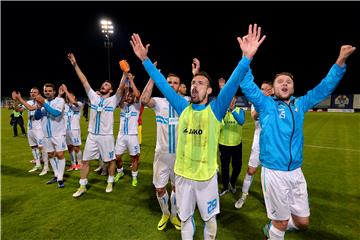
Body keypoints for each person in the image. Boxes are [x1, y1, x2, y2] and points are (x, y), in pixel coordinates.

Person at [130, 23, 265, 239]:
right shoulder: (182, 107)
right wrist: (145, 60)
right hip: (183, 176)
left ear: (209, 90)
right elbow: (161, 83)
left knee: (209, 220)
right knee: (185, 219)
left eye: (200, 83)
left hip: (206, 177)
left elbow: (232, 82)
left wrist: (246, 58)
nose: (195, 85)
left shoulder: (215, 110)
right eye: (193, 82)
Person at [238, 45, 355, 240]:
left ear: (293, 87)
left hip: (296, 172)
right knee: (281, 223)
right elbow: (246, 82)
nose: (284, 84)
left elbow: (324, 87)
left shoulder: (300, 104)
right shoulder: (266, 105)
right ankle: (275, 229)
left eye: (288, 82)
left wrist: (340, 60)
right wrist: (246, 57)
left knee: (302, 223)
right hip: (274, 172)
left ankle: (275, 227)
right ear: (273, 88)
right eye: (280, 81)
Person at [67, 52, 125, 197]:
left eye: (107, 85)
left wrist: (125, 74)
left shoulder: (113, 99)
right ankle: (82, 186)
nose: (103, 86)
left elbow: (121, 88)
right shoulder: (93, 96)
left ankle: (110, 181)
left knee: (110, 160)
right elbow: (84, 81)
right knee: (85, 161)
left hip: (106, 136)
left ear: (110, 90)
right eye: (103, 84)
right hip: (92, 135)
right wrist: (75, 65)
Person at [140, 69, 185, 231]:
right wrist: (152, 78)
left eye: (175, 83)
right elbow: (143, 100)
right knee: (160, 188)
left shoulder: (184, 102)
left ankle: (173, 215)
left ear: (180, 86)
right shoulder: (159, 103)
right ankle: (165, 213)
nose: (172, 85)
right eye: (169, 82)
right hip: (162, 155)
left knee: (176, 188)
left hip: (180, 156)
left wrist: (195, 75)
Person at [235, 81, 273, 208]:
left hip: (273, 144)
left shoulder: (276, 103)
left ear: (272, 90)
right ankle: (244, 195)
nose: (263, 91)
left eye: (267, 89)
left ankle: (270, 199)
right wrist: (261, 101)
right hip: (258, 143)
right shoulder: (256, 103)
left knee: (271, 173)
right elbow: (254, 116)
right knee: (251, 170)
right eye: (262, 89)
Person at [34, 83, 67, 188]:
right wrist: (38, 108)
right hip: (46, 134)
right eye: (45, 91)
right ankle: (56, 175)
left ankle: (61, 178)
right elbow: (37, 117)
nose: (47, 92)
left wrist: (43, 103)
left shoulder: (60, 101)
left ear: (54, 92)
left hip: (58, 133)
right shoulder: (43, 102)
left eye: (49, 91)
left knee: (60, 154)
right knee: (51, 155)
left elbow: (56, 113)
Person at [12, 88, 49, 175]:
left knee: (41, 147)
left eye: (34, 92)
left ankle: (46, 167)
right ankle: (38, 165)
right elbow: (18, 110)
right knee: (33, 147)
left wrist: (20, 98)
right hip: (30, 128)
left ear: (39, 93)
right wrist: (16, 101)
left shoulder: (42, 101)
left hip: (40, 129)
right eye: (31, 92)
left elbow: (31, 108)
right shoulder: (29, 101)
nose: (32, 93)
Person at [114, 72, 142, 187]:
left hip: (132, 136)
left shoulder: (137, 106)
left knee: (134, 158)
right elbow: (120, 98)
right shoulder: (122, 105)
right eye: (127, 96)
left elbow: (137, 94)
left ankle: (134, 177)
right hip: (121, 135)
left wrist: (131, 81)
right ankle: (120, 172)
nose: (128, 98)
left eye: (131, 96)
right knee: (117, 157)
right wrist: (125, 90)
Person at [218, 94, 245, 197]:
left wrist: (232, 110)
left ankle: (232, 183)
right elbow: (219, 126)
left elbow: (241, 121)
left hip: (237, 144)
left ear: (235, 100)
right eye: (229, 100)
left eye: (233, 100)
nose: (231, 102)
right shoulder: (222, 112)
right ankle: (225, 187)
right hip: (224, 144)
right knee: (225, 168)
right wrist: (224, 113)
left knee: (237, 167)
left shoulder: (239, 111)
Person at [58, 84, 83, 171]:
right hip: (65, 130)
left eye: (70, 95)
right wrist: (60, 94)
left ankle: (79, 163)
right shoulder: (64, 105)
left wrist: (66, 91)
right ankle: (73, 164)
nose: (68, 96)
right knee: (69, 147)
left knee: (76, 147)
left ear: (74, 96)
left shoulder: (79, 104)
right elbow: (56, 104)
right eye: (67, 95)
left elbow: (73, 102)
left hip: (75, 129)